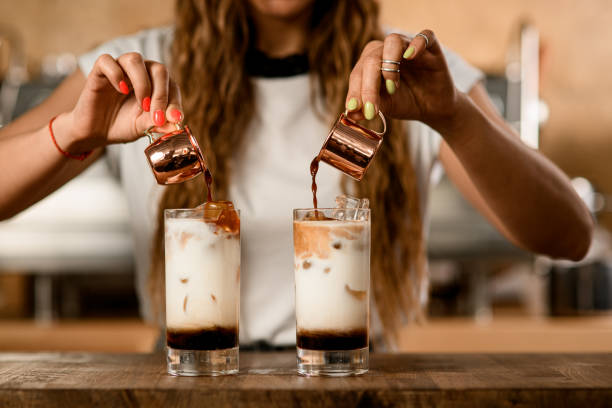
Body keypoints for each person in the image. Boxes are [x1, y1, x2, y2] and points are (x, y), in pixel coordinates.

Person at [0, 0, 593, 348]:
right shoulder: (140, 69)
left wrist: (456, 118)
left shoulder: (405, 76)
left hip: (360, 385)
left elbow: (570, 235)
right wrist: (69, 135)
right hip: (186, 381)